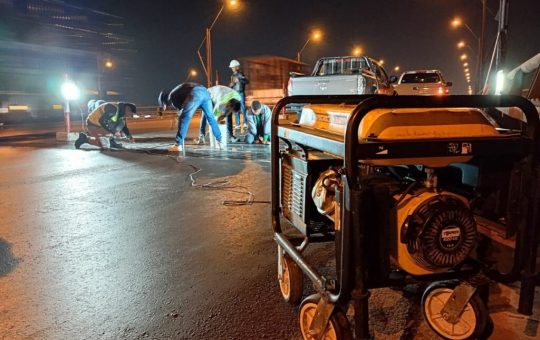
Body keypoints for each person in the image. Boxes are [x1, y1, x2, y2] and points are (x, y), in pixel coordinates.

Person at [158, 82, 222, 152]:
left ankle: (178, 144)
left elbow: (182, 113)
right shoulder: (175, 91)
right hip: (205, 92)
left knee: (184, 118)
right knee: (211, 118)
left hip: (195, 93)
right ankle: (219, 141)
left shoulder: (172, 97)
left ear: (165, 101)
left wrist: (178, 119)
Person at [228, 59, 249, 129]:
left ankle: (245, 123)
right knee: (236, 109)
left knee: (242, 108)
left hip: (240, 93)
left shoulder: (240, 74)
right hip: (234, 94)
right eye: (232, 67)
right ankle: (237, 124)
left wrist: (239, 80)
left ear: (237, 67)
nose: (232, 69)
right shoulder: (232, 76)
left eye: (233, 67)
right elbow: (232, 85)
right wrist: (231, 85)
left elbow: (246, 81)